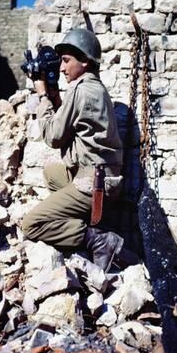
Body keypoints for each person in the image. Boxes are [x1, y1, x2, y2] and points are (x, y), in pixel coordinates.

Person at [21, 28, 139, 272]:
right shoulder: (93, 87)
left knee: (31, 224)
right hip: (100, 177)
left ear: (84, 61)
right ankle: (84, 223)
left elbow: (54, 136)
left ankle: (98, 240)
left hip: (94, 184)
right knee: (52, 174)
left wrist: (43, 95)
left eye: (66, 61)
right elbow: (69, 126)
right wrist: (54, 96)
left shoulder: (80, 88)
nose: (62, 69)